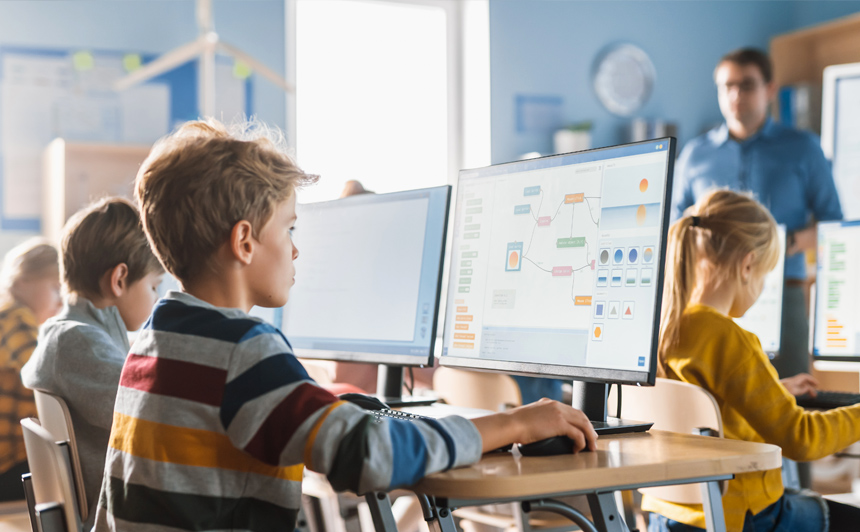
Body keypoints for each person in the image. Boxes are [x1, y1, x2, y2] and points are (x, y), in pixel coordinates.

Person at [91, 118, 598, 531]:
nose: (295, 248)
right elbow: (371, 456)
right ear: (244, 242)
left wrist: (337, 406)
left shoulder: (158, 337)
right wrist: (514, 423)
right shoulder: (245, 350)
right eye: (288, 228)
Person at [646, 189, 860, 532]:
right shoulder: (730, 339)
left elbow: (706, 407)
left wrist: (773, 391)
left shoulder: (663, 327)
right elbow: (801, 438)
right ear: (747, 265)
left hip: (667, 516)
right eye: (764, 274)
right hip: (744, 518)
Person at [671, 48, 842, 381]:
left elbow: (832, 224)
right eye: (727, 86)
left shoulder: (803, 148)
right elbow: (677, 227)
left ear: (770, 89)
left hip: (784, 292)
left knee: (790, 396)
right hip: (712, 295)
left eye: (747, 85)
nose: (736, 95)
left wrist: (786, 243)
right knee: (716, 402)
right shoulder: (695, 155)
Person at [21, 197, 164, 526]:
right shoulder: (78, 342)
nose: (157, 299)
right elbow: (147, 415)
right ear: (119, 280)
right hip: (119, 518)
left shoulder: (68, 333)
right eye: (154, 286)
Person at [0, 239, 60, 501]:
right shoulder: (15, 316)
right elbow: (41, 372)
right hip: (9, 460)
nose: (60, 301)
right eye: (56, 288)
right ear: (23, 280)